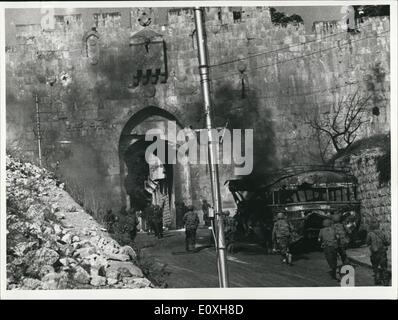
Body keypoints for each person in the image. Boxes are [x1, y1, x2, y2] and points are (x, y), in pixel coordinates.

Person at [366, 218, 390, 285]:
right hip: (382, 253)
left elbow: (367, 243)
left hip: (374, 253)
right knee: (384, 267)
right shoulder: (383, 232)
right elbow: (388, 242)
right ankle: (385, 282)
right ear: (378, 224)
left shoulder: (370, 234)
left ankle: (377, 280)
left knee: (375, 267)